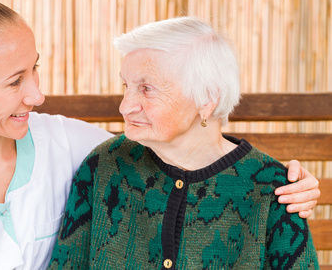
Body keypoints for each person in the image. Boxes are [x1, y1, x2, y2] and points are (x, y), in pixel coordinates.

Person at [0, 0, 318, 270]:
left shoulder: (74, 147)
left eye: (34, 69)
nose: (38, 95)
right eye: (14, 82)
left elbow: (186, 145)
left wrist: (287, 180)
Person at [48, 17, 319, 269]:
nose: (125, 106)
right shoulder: (104, 165)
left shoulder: (274, 190)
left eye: (147, 88)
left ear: (207, 99)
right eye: (126, 86)